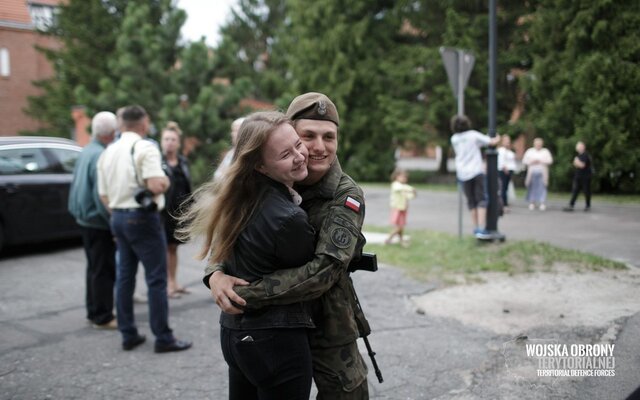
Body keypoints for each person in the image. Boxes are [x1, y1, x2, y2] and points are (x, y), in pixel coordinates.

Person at [205, 93, 372, 399]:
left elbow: (324, 271)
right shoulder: (265, 180)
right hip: (273, 328)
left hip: (327, 320)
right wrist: (215, 274)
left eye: (329, 137)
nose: (318, 147)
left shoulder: (345, 196)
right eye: (307, 136)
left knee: (347, 393)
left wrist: (244, 293)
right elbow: (227, 229)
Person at [180, 111, 315, 399]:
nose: (300, 155)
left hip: (235, 336)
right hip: (275, 341)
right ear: (261, 167)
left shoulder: (238, 199)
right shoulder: (289, 218)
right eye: (285, 154)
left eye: (297, 144)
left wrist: (215, 274)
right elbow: (311, 275)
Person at [97, 105, 191, 353]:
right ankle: (163, 337)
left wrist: (119, 214)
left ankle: (128, 333)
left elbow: (103, 194)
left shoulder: (108, 151)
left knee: (125, 277)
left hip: (117, 216)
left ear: (122, 124)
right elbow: (156, 183)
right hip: (142, 219)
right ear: (144, 123)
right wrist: (167, 179)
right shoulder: (144, 147)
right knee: (157, 279)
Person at [68, 111, 118, 329]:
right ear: (110, 133)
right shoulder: (100, 155)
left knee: (94, 268)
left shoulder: (87, 150)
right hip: (96, 221)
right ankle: (102, 315)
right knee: (103, 269)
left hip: (84, 219)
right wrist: (113, 223)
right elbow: (101, 195)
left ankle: (94, 310)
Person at [450, 115, 501, 238]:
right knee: (482, 199)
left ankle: (475, 227)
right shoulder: (473, 135)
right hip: (476, 171)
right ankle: (481, 228)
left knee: (471, 201)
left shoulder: (454, 139)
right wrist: (498, 136)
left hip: (462, 173)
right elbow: (492, 142)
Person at [160, 122, 193, 299]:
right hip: (162, 213)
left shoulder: (182, 161)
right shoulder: (157, 161)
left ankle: (173, 281)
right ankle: (167, 284)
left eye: (173, 139)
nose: (169, 143)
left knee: (173, 248)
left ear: (178, 143)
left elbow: (188, 186)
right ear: (161, 141)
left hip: (179, 212)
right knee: (165, 248)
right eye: (166, 139)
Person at [384, 168, 416, 247]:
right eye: (402, 177)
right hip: (397, 209)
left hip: (403, 209)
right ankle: (388, 239)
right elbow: (401, 188)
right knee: (399, 227)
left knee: (401, 226)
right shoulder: (395, 184)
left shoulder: (404, 187)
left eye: (405, 177)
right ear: (396, 177)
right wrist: (411, 189)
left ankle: (401, 241)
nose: (404, 179)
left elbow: (409, 196)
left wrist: (413, 194)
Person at [522, 137, 553, 211]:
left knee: (542, 187)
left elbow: (550, 160)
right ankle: (532, 202)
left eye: (539, 144)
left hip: (542, 172)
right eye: (537, 144)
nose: (538, 145)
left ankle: (542, 202)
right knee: (532, 187)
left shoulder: (545, 151)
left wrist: (541, 161)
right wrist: (532, 161)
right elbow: (524, 161)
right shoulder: (530, 151)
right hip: (532, 172)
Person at [563, 141, 592, 212]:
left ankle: (588, 206)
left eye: (579, 146)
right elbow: (576, 165)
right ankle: (571, 205)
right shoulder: (579, 156)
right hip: (578, 176)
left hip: (585, 176)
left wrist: (576, 161)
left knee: (586, 191)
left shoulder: (585, 155)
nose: (577, 147)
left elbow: (582, 165)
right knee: (575, 190)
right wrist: (577, 162)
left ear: (582, 147)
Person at [497, 135, 517, 212]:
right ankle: (503, 205)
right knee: (503, 188)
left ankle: (504, 203)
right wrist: (505, 168)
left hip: (510, 170)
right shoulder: (501, 150)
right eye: (506, 140)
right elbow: (501, 161)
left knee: (506, 188)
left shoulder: (510, 152)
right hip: (504, 171)